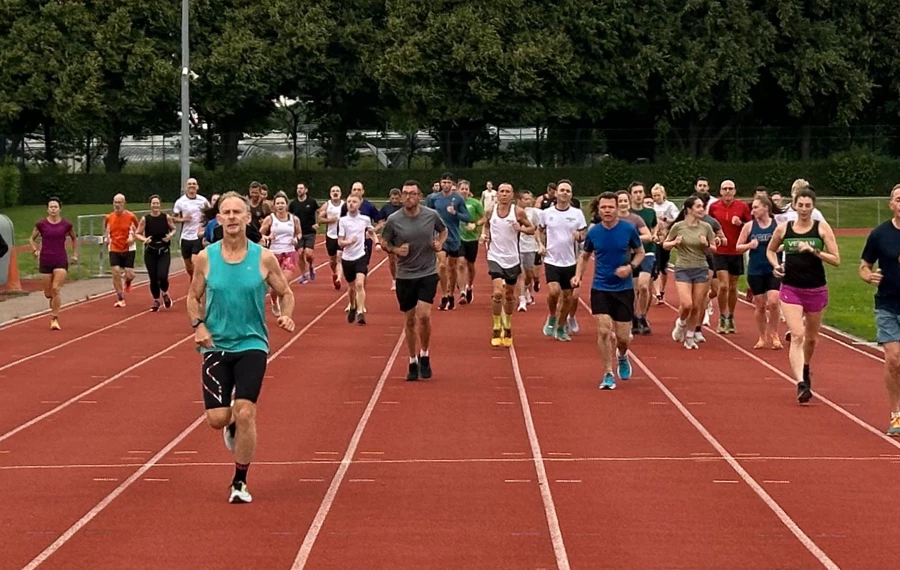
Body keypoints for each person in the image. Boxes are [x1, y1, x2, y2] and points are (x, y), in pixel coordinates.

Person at [186, 191, 296, 504]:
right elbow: (192, 298)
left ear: (249, 218)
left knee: (246, 411)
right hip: (216, 345)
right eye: (227, 213)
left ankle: (240, 480)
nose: (232, 217)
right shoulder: (206, 257)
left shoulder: (263, 257)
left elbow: (285, 292)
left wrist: (286, 314)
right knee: (218, 419)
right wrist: (199, 326)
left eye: (238, 212)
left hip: (252, 344)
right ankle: (230, 422)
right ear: (218, 219)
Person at [767, 188, 841, 404]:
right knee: (797, 335)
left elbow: (836, 259)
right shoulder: (784, 229)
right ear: (795, 206)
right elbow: (771, 250)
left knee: (811, 338)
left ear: (813, 206)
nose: (805, 209)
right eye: (801, 205)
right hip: (791, 288)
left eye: (808, 206)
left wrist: (814, 251)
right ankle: (801, 383)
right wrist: (776, 266)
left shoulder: (821, 228)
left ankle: (806, 367)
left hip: (816, 289)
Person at [575, 192, 644, 390]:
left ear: (617, 209)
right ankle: (607, 373)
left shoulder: (628, 229)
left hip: (623, 289)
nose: (607, 211)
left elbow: (639, 253)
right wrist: (578, 275)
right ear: (598, 209)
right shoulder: (594, 232)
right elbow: (585, 256)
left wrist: (630, 267)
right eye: (603, 207)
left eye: (610, 207)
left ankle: (622, 356)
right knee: (604, 331)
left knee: (622, 338)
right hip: (600, 287)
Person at [380, 180, 448, 381]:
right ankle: (412, 359)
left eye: (412, 193)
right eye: (405, 193)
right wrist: (394, 250)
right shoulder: (394, 219)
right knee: (409, 319)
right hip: (405, 275)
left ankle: (425, 354)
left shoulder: (431, 215)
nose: (408, 197)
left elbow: (443, 231)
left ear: (419, 196)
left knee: (424, 316)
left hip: (427, 273)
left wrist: (439, 243)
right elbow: (384, 241)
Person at [860, 184, 900, 435]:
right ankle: (896, 414)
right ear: (891, 204)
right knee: (894, 359)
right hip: (887, 303)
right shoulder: (879, 234)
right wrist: (867, 276)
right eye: (899, 199)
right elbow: (864, 265)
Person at [481, 183, 535, 347]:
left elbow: (532, 228)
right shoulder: (491, 210)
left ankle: (508, 324)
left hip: (512, 258)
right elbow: (486, 224)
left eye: (507, 192)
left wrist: (522, 229)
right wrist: (484, 234)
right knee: (498, 293)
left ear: (512, 195)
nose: (504, 194)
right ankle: (497, 326)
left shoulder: (517, 211)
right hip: (495, 256)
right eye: (501, 191)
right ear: (497, 194)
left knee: (510, 295)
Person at [664, 196, 719, 350]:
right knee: (686, 304)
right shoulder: (678, 226)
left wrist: (706, 244)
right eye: (699, 207)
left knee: (697, 306)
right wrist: (674, 243)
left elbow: (714, 248)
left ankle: (689, 336)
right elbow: (665, 244)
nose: (702, 209)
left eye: (703, 206)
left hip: (701, 268)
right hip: (683, 268)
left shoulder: (706, 227)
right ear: (689, 209)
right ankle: (680, 323)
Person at [536, 180, 587, 341]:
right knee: (553, 291)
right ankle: (552, 316)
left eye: (568, 191)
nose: (565, 193)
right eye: (562, 190)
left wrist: (580, 236)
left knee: (568, 298)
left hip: (570, 261)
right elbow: (539, 230)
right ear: (556, 193)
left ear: (571, 195)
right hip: (552, 260)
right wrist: (540, 244)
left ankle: (561, 327)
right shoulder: (547, 213)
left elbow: (583, 232)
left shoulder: (577, 214)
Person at [735, 195, 783, 349]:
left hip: (773, 268)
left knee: (774, 302)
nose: (753, 210)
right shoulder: (749, 226)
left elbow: (787, 243)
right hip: (756, 269)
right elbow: (738, 247)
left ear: (766, 208)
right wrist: (750, 245)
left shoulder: (778, 225)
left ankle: (774, 334)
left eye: (756, 207)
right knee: (760, 305)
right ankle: (762, 336)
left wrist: (777, 248)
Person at [708, 179, 752, 334]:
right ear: (720, 191)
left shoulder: (742, 207)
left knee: (733, 287)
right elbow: (709, 225)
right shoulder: (714, 207)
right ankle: (722, 316)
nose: (727, 191)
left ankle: (731, 316)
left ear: (734, 191)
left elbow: (751, 226)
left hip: (736, 251)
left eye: (730, 189)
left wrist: (740, 223)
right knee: (723, 285)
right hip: (720, 252)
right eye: (724, 188)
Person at [29, 197, 78, 330]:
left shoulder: (66, 225)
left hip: (60, 259)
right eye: (51, 207)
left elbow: (74, 238)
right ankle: (53, 306)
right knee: (49, 293)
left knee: (56, 289)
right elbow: (32, 239)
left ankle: (54, 318)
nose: (53, 209)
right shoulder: (41, 224)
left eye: (55, 207)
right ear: (47, 209)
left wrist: (74, 254)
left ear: (60, 209)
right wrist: (34, 249)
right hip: (45, 260)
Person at [425, 172, 471, 311]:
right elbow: (427, 215)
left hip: (454, 237)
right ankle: (444, 294)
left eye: (448, 183)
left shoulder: (458, 199)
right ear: (440, 183)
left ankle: (451, 293)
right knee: (442, 265)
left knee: (452, 267)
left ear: (452, 185)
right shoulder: (433, 198)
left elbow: (467, 217)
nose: (445, 185)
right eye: (443, 182)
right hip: (439, 236)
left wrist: (455, 213)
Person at [260, 192, 302, 315]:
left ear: (286, 205)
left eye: (282, 203)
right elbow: (259, 234)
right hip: (274, 254)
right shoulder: (270, 219)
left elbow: (299, 233)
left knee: (283, 281)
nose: (280, 205)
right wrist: (268, 237)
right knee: (274, 285)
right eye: (277, 203)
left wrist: (296, 239)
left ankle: (285, 309)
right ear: (274, 205)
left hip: (289, 253)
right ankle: (274, 301)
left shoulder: (293, 219)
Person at [339, 194, 376, 325]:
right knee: (351, 287)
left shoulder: (365, 219)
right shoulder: (343, 221)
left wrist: (376, 242)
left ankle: (360, 312)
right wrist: (349, 241)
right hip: (347, 257)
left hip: (360, 255)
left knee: (359, 284)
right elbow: (340, 243)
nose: (351, 204)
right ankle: (353, 306)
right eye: (348, 201)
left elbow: (371, 231)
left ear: (359, 204)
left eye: (354, 201)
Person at [135, 195, 176, 312]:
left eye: (157, 203)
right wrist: (144, 240)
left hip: (163, 250)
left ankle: (165, 292)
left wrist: (170, 236)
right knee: (153, 278)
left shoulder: (166, 217)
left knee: (162, 275)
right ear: (150, 205)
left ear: (160, 205)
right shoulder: (145, 219)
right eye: (153, 203)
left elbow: (173, 229)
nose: (155, 205)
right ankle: (157, 299)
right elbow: (137, 233)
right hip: (151, 251)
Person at [628, 182, 658, 334]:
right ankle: (634, 317)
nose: (639, 195)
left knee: (644, 286)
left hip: (648, 252)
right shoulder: (627, 213)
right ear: (631, 195)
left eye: (641, 192)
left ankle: (642, 316)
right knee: (633, 289)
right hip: (631, 254)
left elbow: (654, 229)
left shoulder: (650, 212)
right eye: (635, 192)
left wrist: (655, 236)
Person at [104, 194, 139, 308]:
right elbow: (107, 230)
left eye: (119, 202)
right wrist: (106, 238)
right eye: (115, 202)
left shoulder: (131, 217)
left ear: (124, 203)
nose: (117, 205)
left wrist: (132, 238)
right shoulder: (109, 217)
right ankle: (120, 297)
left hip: (128, 248)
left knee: (129, 274)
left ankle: (128, 282)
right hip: (114, 247)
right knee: (116, 272)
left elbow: (139, 231)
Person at [172, 178, 210, 281]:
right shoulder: (180, 202)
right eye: (189, 184)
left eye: (194, 184)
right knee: (188, 266)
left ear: (197, 187)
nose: (192, 186)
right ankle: (194, 278)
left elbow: (210, 215)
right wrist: (184, 219)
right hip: (185, 236)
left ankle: (198, 282)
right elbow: (173, 219)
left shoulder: (203, 201)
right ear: (186, 187)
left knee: (196, 261)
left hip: (198, 236)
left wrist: (204, 226)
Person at [650, 184, 680, 305]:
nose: (656, 198)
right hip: (655, 239)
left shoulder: (670, 206)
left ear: (663, 194)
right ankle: (657, 293)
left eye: (658, 195)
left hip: (666, 238)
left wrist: (666, 220)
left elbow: (677, 220)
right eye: (654, 195)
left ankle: (662, 290)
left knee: (663, 267)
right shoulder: (651, 206)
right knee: (655, 264)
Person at [458, 180, 486, 305]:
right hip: (458, 238)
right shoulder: (454, 203)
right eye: (462, 188)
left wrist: (475, 225)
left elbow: (484, 217)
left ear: (469, 190)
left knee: (470, 265)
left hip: (472, 238)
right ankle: (462, 292)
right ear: (458, 190)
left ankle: (470, 286)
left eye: (466, 189)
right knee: (461, 263)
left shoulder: (475, 203)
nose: (464, 191)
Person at [288, 182, 319, 284]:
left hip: (310, 232)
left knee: (308, 254)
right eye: (298, 188)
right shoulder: (293, 204)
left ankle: (311, 265)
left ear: (306, 190)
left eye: (301, 188)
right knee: (300, 253)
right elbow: (289, 215)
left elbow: (320, 212)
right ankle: (304, 275)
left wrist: (318, 223)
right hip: (298, 232)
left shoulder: (312, 202)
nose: (299, 190)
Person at [516, 191, 542, 311]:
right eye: (526, 199)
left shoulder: (534, 213)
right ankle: (522, 300)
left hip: (530, 247)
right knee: (520, 274)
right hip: (516, 246)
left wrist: (539, 243)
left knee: (529, 274)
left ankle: (527, 290)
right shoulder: (514, 212)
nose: (529, 201)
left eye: (530, 199)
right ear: (520, 200)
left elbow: (537, 228)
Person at [317, 185, 345, 290]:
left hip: (341, 235)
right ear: (330, 193)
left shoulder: (344, 205)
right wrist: (329, 220)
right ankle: (334, 273)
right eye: (333, 191)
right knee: (332, 260)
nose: (335, 192)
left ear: (340, 193)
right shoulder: (327, 205)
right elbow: (319, 219)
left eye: (337, 191)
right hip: (331, 235)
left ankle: (339, 279)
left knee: (339, 257)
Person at [379, 188, 404, 291]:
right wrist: (382, 224)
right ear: (390, 198)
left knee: (402, 258)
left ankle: (403, 278)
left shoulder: (404, 207)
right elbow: (380, 219)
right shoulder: (386, 207)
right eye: (393, 198)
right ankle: (394, 279)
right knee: (392, 258)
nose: (394, 200)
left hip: (403, 235)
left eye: (397, 198)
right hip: (390, 236)